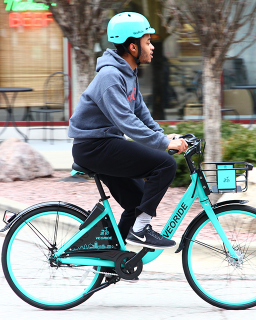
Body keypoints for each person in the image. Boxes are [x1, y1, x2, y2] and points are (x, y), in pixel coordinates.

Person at [68, 12, 188, 249]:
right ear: (133, 47)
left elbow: (140, 113)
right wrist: (163, 144)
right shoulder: (110, 76)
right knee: (166, 164)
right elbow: (126, 122)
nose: (152, 47)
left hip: (104, 145)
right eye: (147, 42)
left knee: (138, 201)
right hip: (94, 147)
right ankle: (141, 230)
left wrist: (164, 135)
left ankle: (111, 259)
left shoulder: (128, 73)